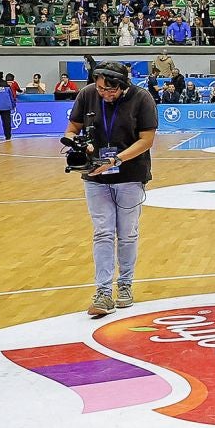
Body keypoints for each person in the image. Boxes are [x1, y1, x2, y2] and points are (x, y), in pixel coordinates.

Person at [67, 61, 158, 317]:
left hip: (130, 175)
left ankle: (126, 284)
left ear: (123, 87)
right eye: (100, 89)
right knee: (103, 233)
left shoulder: (142, 98)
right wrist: (76, 144)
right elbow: (73, 127)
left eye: (110, 90)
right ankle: (103, 291)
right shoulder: (87, 94)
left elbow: (147, 140)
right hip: (95, 176)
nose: (104, 94)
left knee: (127, 233)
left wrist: (116, 160)